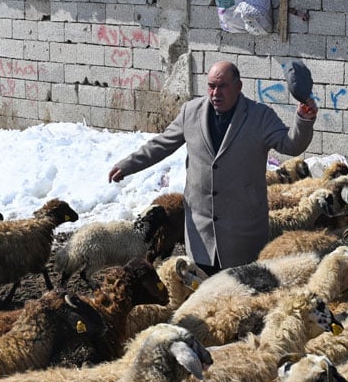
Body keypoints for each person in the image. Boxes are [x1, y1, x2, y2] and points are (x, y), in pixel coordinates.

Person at [108, 60, 318, 274]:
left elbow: (291, 145)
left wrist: (304, 119)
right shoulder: (191, 112)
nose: (215, 92)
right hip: (201, 230)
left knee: (240, 296)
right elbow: (162, 144)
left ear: (238, 86)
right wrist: (128, 165)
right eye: (211, 86)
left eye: (222, 86)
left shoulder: (260, 116)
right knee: (202, 294)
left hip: (243, 230)